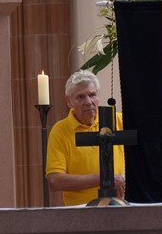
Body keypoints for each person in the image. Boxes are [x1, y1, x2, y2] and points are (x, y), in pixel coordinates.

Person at [45, 70, 126, 206]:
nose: (88, 102)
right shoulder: (60, 131)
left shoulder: (118, 120)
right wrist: (105, 179)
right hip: (81, 213)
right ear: (68, 101)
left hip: (121, 205)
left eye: (92, 95)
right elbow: (55, 181)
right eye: (81, 97)